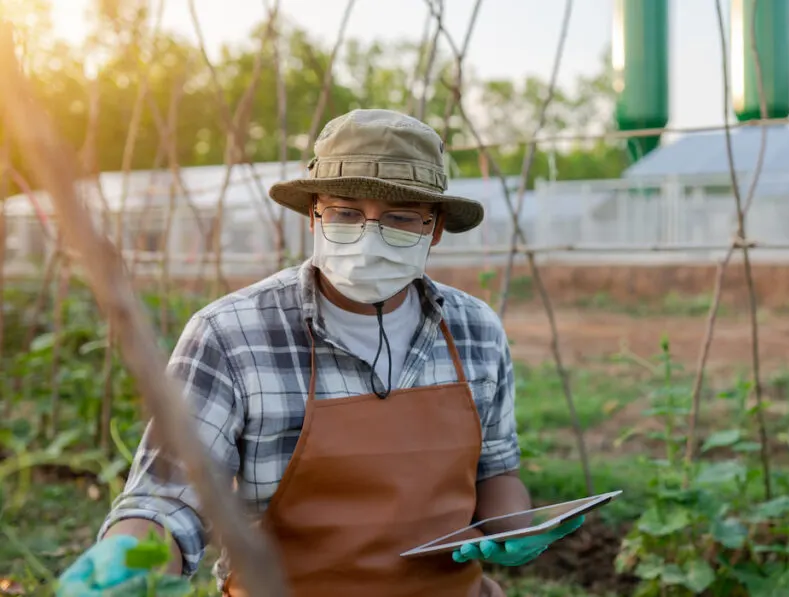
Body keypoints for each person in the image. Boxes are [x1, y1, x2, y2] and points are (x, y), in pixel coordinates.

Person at [57, 109, 583, 597]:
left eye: (400, 218)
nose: (368, 238)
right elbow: (168, 497)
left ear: (436, 229)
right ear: (313, 217)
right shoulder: (232, 335)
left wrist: (516, 528)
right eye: (346, 213)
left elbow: (497, 473)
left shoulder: (475, 330)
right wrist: (131, 554)